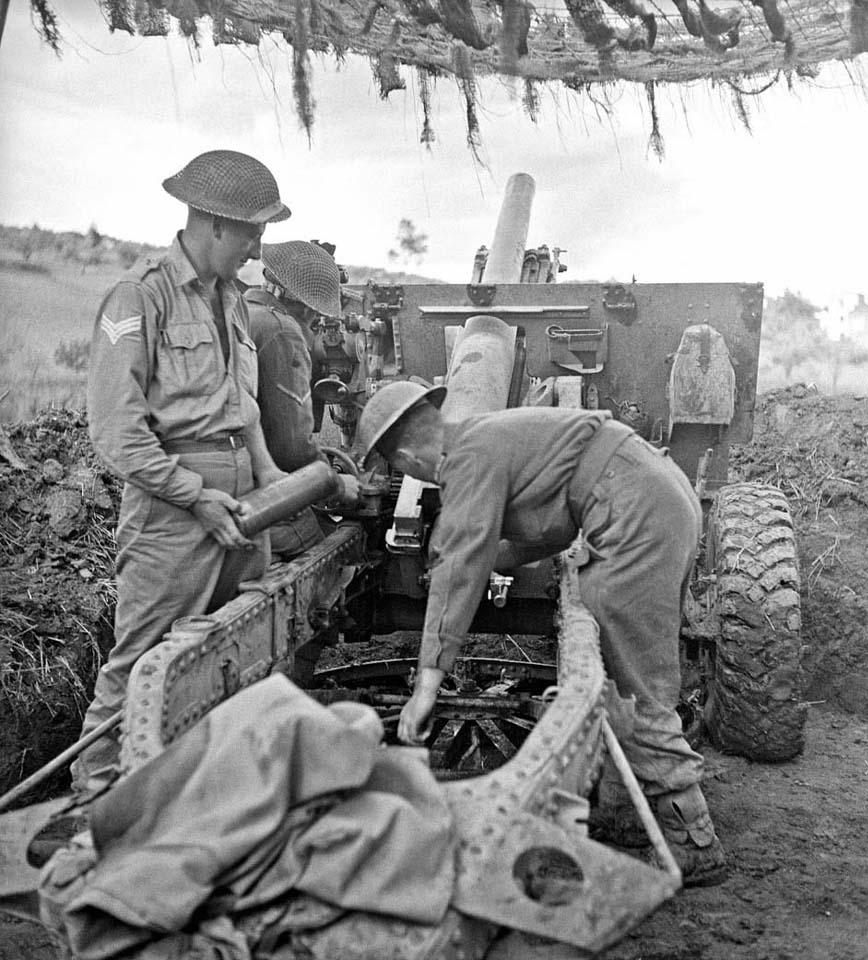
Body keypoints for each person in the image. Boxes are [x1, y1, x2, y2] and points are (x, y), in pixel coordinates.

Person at [356, 380, 727, 886]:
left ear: (403, 458)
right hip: (656, 489)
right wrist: (491, 555)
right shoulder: (484, 436)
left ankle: (695, 842)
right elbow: (551, 521)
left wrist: (426, 686)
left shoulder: (464, 460)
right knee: (621, 661)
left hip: (633, 510)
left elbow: (457, 572)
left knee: (636, 677)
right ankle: (626, 810)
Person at [73, 150, 292, 791]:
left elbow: (241, 410)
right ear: (212, 222)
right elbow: (117, 433)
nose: (258, 244)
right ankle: (95, 800)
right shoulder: (140, 298)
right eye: (251, 229)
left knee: (242, 649)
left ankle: (206, 795)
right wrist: (194, 496)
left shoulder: (232, 300)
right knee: (144, 664)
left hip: (243, 505)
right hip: (172, 514)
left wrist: (268, 477)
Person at [244, 240, 354, 558]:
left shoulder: (242, 312)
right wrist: (337, 483)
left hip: (227, 480)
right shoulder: (282, 331)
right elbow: (291, 449)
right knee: (333, 552)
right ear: (308, 306)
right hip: (260, 499)